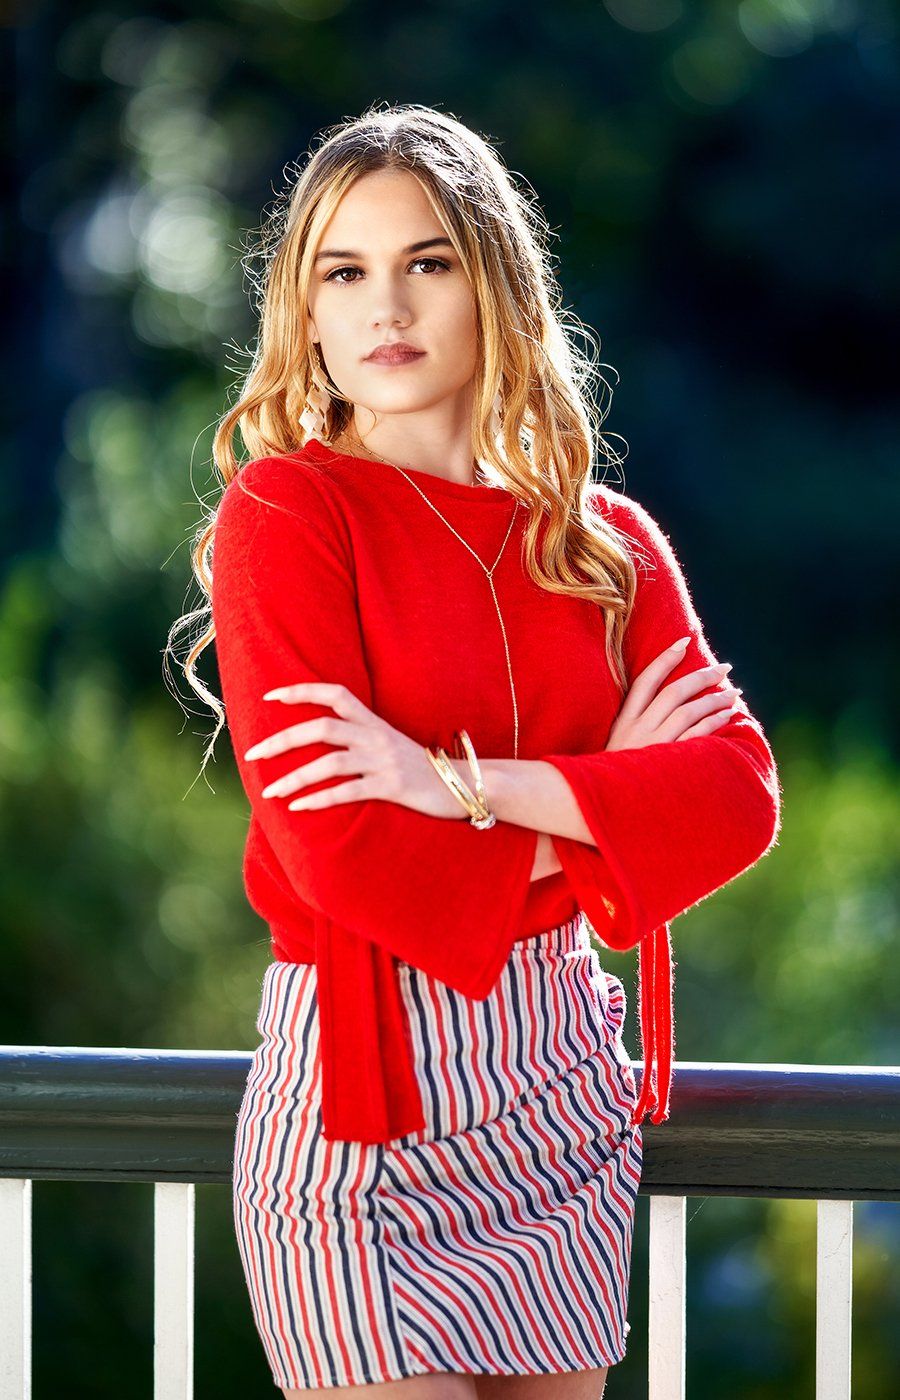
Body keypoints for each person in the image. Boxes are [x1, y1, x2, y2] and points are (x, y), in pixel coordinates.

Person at [172, 103, 781, 1398]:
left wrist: (454, 782)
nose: (384, 306)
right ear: (309, 312)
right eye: (345, 272)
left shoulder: (602, 545)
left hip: (564, 1107)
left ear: (493, 284)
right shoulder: (287, 511)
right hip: (363, 1123)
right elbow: (339, 846)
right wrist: (613, 811)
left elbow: (736, 799)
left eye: (427, 262)